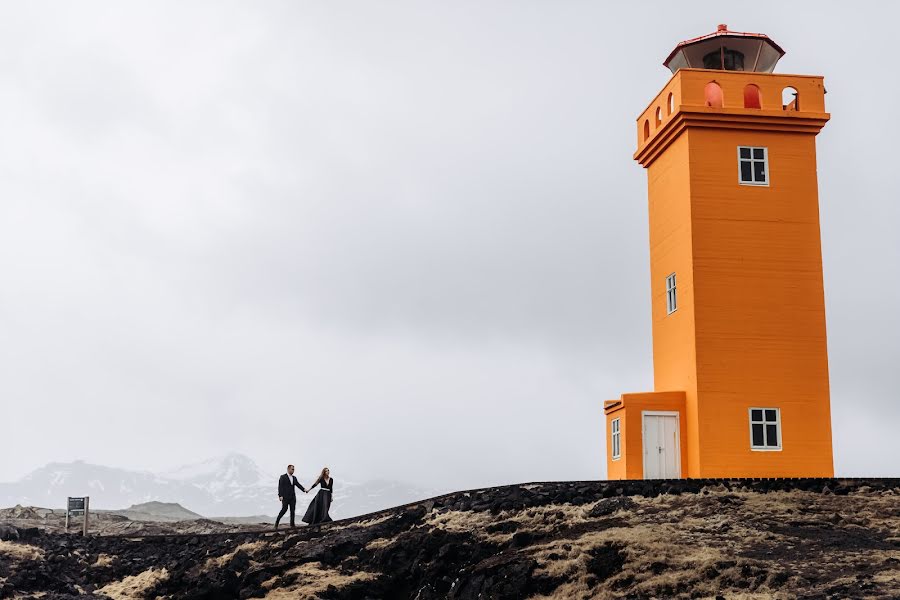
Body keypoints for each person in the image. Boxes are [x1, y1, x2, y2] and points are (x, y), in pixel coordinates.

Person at [275, 464, 307, 530]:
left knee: (292, 511)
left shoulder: (294, 478)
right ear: (288, 469)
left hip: (292, 497)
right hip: (285, 497)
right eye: (292, 469)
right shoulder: (283, 477)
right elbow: (280, 487)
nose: (293, 470)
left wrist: (304, 489)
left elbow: (298, 485)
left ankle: (292, 525)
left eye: (294, 469)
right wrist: (280, 495)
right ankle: (277, 522)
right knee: (284, 510)